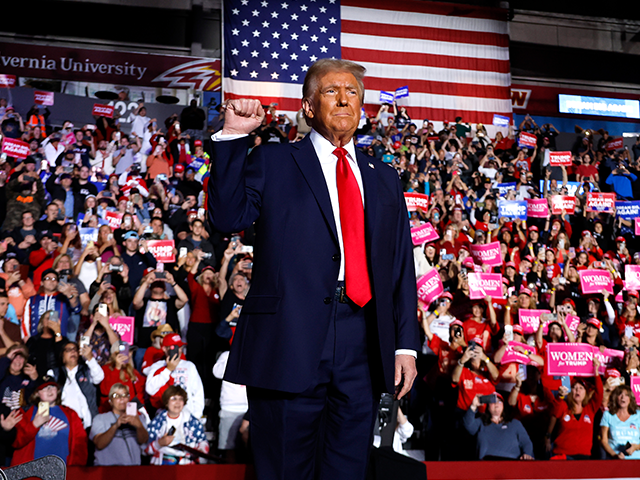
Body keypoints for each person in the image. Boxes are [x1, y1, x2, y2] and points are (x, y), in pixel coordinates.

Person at [209, 58, 419, 480]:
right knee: (285, 470)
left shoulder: (384, 178)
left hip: (363, 342)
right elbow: (226, 217)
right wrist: (233, 137)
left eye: (352, 92)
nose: (344, 99)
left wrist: (404, 346)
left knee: (347, 471)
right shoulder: (273, 160)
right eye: (330, 91)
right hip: (289, 340)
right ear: (307, 107)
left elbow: (399, 267)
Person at [11, 376, 87, 466]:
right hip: (31, 471)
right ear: (37, 393)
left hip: (62, 471)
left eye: (52, 386)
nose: (49, 390)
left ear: (57, 390)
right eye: (44, 388)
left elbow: (80, 444)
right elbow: (16, 442)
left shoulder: (71, 414)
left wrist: (75, 469)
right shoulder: (25, 413)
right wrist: (33, 425)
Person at [545, 357, 603, 459]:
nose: (577, 391)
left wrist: (596, 372)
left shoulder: (590, 408)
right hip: (563, 456)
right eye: (574, 388)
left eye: (581, 388)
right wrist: (560, 396)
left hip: (584, 458)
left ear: (586, 393)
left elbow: (599, 392)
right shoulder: (563, 405)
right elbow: (555, 411)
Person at [144, 385, 209, 465]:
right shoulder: (157, 423)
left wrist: (200, 451)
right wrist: (159, 443)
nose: (177, 402)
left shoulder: (193, 422)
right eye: (174, 399)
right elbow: (145, 450)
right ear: (166, 402)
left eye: (180, 399)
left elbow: (203, 442)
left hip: (187, 465)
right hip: (162, 466)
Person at [145, 333, 205, 419]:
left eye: (180, 347)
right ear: (164, 349)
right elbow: (150, 389)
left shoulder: (189, 366)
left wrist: (196, 415)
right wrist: (168, 369)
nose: (179, 350)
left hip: (187, 415)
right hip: (165, 416)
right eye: (175, 347)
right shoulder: (157, 366)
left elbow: (198, 393)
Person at [89, 383, 149, 466]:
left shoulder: (139, 418)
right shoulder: (100, 418)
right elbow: (99, 444)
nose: (121, 398)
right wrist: (116, 425)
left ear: (128, 398)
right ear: (110, 401)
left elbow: (143, 441)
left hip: (133, 470)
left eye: (124, 395)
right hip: (107, 470)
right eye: (116, 396)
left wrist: (138, 425)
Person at [464, 393, 534, 460]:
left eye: (499, 401)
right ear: (488, 406)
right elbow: (468, 425)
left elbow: (526, 443)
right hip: (486, 464)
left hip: (511, 464)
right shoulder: (481, 423)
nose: (496, 404)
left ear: (503, 405)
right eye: (492, 401)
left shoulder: (514, 423)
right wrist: (473, 406)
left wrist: (527, 454)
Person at [600, 384, 640, 459]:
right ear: (615, 398)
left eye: (626, 395)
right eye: (620, 394)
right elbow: (604, 441)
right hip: (615, 459)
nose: (623, 397)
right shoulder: (608, 415)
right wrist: (614, 455)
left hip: (636, 460)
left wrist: (635, 447)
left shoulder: (638, 415)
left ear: (630, 398)